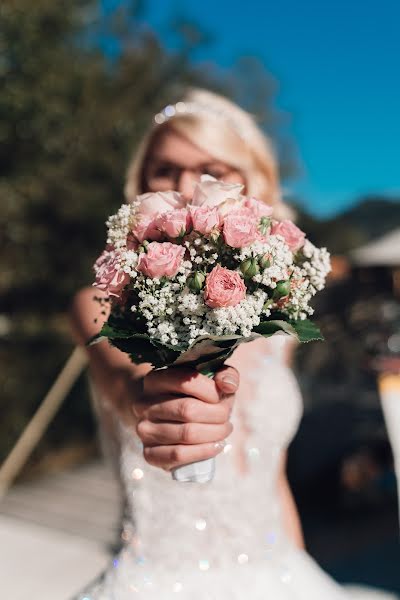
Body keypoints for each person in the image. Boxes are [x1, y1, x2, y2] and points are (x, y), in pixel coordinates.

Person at [70, 88, 397, 599]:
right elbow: (125, 380)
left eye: (211, 169)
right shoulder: (100, 301)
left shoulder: (278, 326)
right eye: (164, 170)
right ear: (141, 183)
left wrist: (298, 572)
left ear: (252, 186)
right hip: (159, 581)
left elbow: (273, 482)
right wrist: (160, 407)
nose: (185, 187)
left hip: (278, 570)